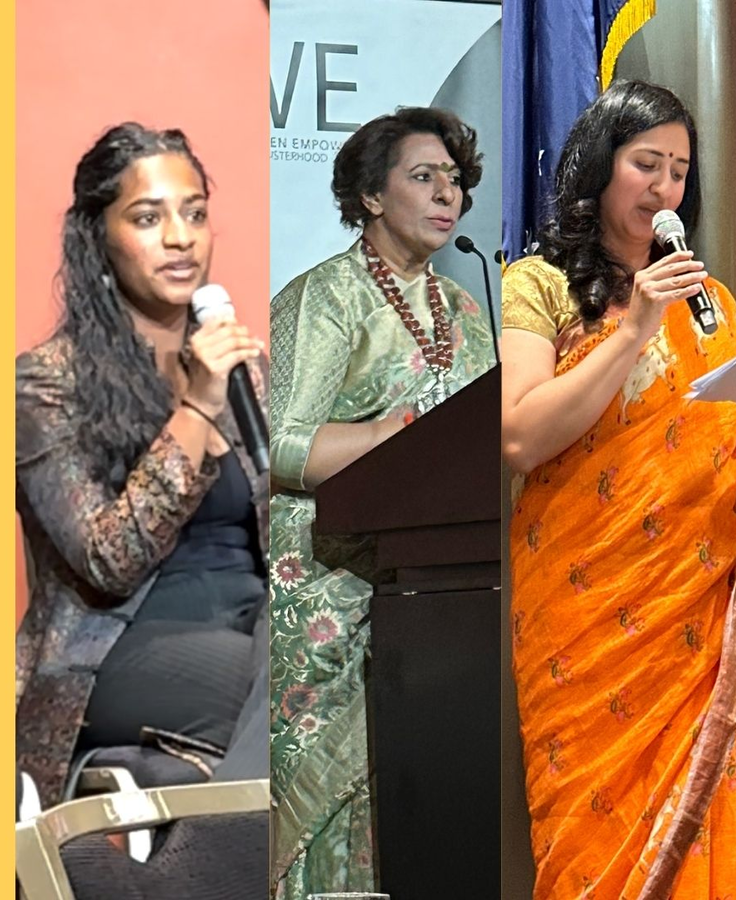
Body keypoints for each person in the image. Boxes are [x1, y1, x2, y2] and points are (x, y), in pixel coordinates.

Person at [501, 80, 736, 900]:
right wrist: (633, 329)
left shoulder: (710, 298)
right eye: (645, 164)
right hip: (585, 611)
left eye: (679, 171)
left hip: (692, 613)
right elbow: (519, 437)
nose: (664, 190)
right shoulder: (538, 286)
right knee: (589, 829)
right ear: (597, 169)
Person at [267, 107, 496, 899]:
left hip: (436, 610)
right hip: (326, 588)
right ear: (369, 195)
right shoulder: (324, 299)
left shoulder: (469, 316)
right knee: (329, 815)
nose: (448, 195)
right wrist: (391, 437)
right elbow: (278, 448)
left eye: (457, 181)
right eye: (423, 176)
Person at [15, 123, 270, 809]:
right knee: (289, 688)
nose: (181, 238)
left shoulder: (246, 367)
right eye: (148, 217)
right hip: (118, 653)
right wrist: (194, 408)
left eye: (194, 213)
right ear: (99, 236)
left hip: (253, 627)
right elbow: (107, 562)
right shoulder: (45, 385)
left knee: (324, 645)